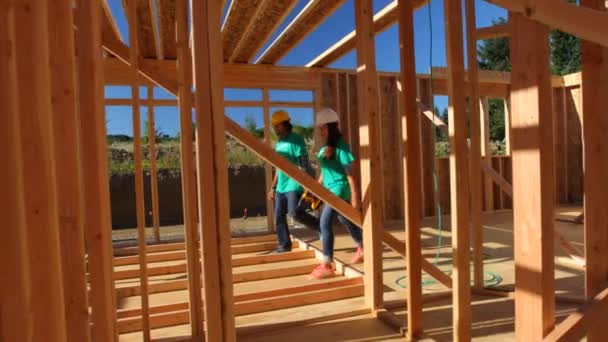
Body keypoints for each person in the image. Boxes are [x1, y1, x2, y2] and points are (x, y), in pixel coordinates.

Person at [308, 108, 363, 280]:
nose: (320, 130)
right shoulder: (326, 147)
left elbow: (349, 173)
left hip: (339, 189)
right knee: (344, 218)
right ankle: (363, 247)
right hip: (328, 190)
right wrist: (315, 188)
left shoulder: (341, 145)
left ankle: (327, 264)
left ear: (330, 126)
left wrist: (355, 196)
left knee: (324, 223)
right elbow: (324, 172)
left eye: (322, 127)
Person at [268, 110, 319, 253]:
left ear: (285, 124)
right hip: (281, 185)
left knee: (294, 213)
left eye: (278, 126)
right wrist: (273, 187)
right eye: (275, 126)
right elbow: (278, 167)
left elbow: (303, 163)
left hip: (294, 183)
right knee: (278, 216)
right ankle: (284, 245)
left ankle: (319, 226)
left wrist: (305, 183)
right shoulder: (279, 144)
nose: (276, 129)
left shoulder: (296, 139)